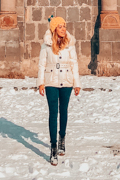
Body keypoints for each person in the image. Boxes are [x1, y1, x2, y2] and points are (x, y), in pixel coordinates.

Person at [37, 15, 81, 165]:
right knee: (53, 113)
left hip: (67, 81)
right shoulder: (46, 45)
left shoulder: (70, 44)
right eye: (60, 26)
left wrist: (77, 83)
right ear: (54, 28)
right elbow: (42, 64)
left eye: (65, 26)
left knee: (64, 111)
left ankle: (62, 138)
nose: (64, 29)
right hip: (51, 81)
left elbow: (74, 64)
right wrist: (40, 83)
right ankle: (53, 148)